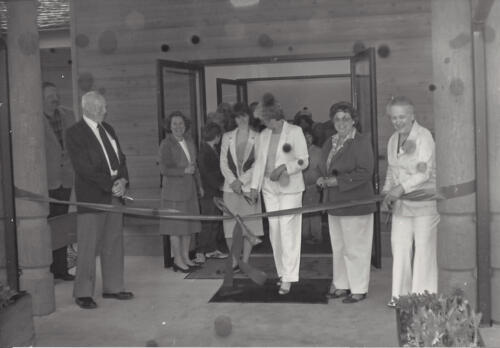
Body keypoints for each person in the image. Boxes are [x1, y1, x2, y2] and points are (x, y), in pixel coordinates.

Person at [66, 91, 133, 309]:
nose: (106, 110)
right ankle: (83, 292)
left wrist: (122, 181)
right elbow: (84, 168)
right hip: (93, 196)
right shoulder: (75, 133)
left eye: (105, 106)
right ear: (89, 107)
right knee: (88, 246)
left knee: (113, 242)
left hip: (115, 194)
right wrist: (110, 185)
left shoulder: (109, 129)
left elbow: (121, 159)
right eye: (102, 106)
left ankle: (113, 287)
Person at [382, 96, 439, 308]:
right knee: (399, 248)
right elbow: (391, 169)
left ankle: (423, 298)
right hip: (401, 206)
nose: (398, 121)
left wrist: (400, 188)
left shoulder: (424, 137)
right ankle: (400, 296)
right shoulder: (392, 140)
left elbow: (424, 173)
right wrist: (387, 192)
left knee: (424, 250)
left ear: (412, 115)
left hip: (424, 204)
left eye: (402, 117)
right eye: (394, 118)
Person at [249, 93, 309, 295]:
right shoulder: (263, 135)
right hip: (269, 188)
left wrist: (284, 167)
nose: (265, 123)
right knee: (275, 231)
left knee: (287, 230)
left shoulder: (295, 131)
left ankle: (290, 278)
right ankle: (282, 273)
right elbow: (259, 164)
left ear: (275, 116)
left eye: (266, 120)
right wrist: (254, 188)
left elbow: (303, 161)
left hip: (290, 188)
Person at [317, 101, 376, 303]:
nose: (341, 123)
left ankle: (359, 289)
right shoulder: (329, 142)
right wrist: (322, 178)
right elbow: (324, 167)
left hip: (355, 203)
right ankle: (342, 285)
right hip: (334, 204)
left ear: (353, 121)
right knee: (339, 247)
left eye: (346, 119)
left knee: (356, 249)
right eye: (337, 119)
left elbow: (366, 172)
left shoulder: (361, 141)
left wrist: (337, 181)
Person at [220, 102, 263, 270]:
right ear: (235, 119)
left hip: (248, 188)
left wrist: (242, 181)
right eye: (238, 116)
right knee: (229, 226)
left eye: (244, 115)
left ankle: (245, 260)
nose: (241, 119)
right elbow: (223, 162)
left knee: (249, 226)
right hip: (230, 189)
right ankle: (233, 260)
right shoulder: (227, 136)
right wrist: (232, 181)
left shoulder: (258, 137)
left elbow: (258, 164)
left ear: (249, 116)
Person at [159, 111, 203, 273]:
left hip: (189, 189)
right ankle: (177, 260)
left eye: (181, 124)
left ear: (186, 126)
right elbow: (164, 169)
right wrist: (183, 170)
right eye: (175, 124)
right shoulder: (166, 144)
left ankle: (185, 257)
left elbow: (195, 166)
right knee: (175, 227)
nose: (178, 127)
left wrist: (200, 185)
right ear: (169, 127)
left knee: (188, 226)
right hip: (174, 192)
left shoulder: (190, 141)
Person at [42, 82, 75, 281]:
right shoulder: (34, 117)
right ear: (41, 99)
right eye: (49, 96)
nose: (55, 98)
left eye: (56, 94)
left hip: (65, 178)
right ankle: (48, 270)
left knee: (61, 224)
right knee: (46, 225)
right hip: (46, 181)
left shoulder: (68, 115)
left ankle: (61, 270)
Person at [197, 122, 228, 261]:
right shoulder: (204, 151)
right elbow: (206, 173)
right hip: (209, 191)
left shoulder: (211, 149)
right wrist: (219, 186)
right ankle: (201, 251)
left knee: (214, 221)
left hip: (214, 190)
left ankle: (211, 249)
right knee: (208, 222)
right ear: (216, 136)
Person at [301, 127, 323, 245]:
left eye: (309, 136)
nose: (306, 139)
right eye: (304, 136)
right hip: (300, 187)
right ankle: (304, 235)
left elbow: (323, 168)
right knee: (303, 211)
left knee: (314, 211)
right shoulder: (296, 151)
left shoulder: (319, 151)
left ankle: (316, 235)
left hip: (314, 186)